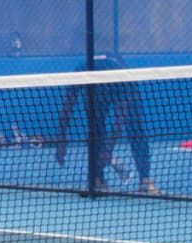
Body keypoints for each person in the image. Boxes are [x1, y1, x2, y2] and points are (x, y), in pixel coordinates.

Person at [50, 53, 157, 195]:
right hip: (100, 90)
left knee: (135, 127)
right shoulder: (80, 74)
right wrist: (61, 142)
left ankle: (145, 180)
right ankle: (98, 179)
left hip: (125, 82)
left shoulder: (122, 81)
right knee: (95, 129)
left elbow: (120, 120)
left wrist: (108, 151)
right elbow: (67, 109)